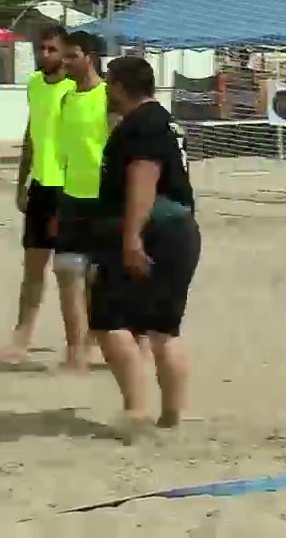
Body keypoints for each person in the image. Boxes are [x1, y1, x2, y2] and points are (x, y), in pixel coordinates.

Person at [89, 56, 201, 438]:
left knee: (108, 320)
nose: (105, 90)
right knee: (163, 329)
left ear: (119, 86)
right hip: (179, 229)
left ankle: (136, 411)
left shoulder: (142, 124)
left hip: (155, 231)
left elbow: (143, 179)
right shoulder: (164, 120)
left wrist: (131, 238)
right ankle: (171, 417)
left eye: (109, 83)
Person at [0, 25, 75, 364]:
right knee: (33, 269)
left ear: (65, 53)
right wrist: (21, 182)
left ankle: (79, 343)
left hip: (70, 190)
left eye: (51, 50)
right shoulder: (34, 85)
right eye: (39, 49)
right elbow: (31, 133)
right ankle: (22, 336)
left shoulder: (77, 89)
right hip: (41, 187)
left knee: (72, 271)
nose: (44, 55)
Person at [53, 30, 114, 371]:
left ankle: (96, 342)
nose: (65, 61)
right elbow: (65, 155)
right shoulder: (66, 99)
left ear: (89, 56)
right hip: (72, 198)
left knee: (98, 277)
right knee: (66, 271)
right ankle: (75, 348)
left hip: (104, 200)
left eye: (72, 55)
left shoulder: (109, 97)